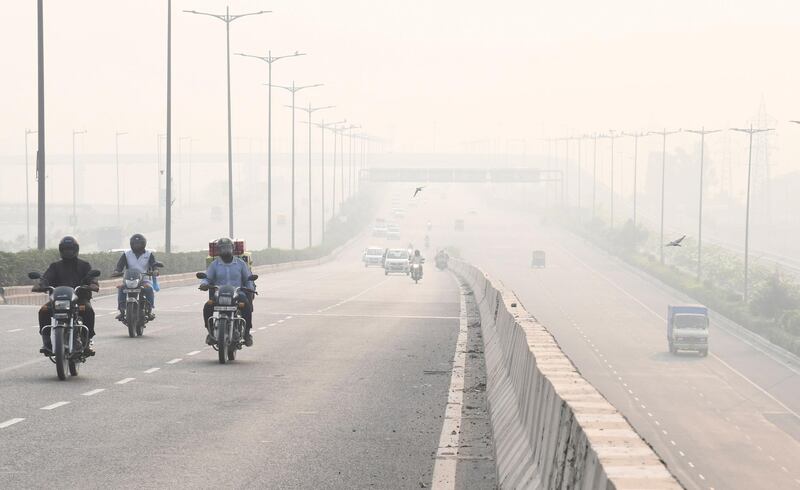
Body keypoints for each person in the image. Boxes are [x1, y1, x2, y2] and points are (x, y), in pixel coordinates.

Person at [33, 236, 99, 353]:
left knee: (88, 311)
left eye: (70, 249)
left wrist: (93, 284)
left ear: (76, 250)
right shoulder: (55, 266)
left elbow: (91, 277)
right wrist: (40, 285)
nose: (68, 251)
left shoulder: (84, 265)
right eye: (65, 249)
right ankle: (46, 341)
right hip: (58, 300)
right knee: (43, 311)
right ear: (61, 250)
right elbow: (46, 278)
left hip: (79, 299)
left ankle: (86, 340)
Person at [199, 237, 255, 346]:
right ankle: (210, 333)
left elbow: (248, 279)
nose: (225, 251)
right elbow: (207, 277)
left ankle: (247, 334)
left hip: (238, 293)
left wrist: (250, 287)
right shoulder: (214, 264)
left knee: (247, 306)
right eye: (222, 248)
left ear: (232, 249)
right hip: (218, 293)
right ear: (218, 250)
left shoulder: (240, 264)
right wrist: (204, 284)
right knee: (207, 307)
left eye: (227, 248)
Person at [113, 233, 159, 321]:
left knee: (149, 289)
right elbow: (120, 265)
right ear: (131, 244)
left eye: (139, 243)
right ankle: (122, 310)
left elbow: (154, 264)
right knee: (121, 288)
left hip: (144, 279)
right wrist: (117, 271)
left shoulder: (149, 254)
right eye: (135, 244)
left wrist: (155, 270)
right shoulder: (126, 254)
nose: (137, 245)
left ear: (143, 244)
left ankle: (149, 310)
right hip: (129, 279)